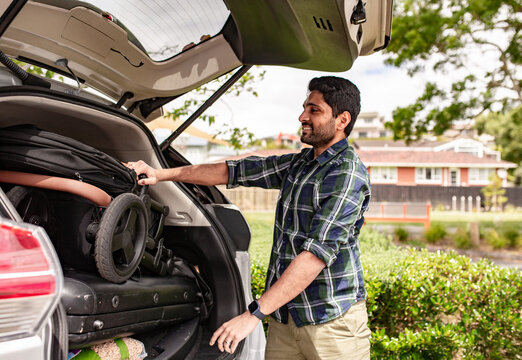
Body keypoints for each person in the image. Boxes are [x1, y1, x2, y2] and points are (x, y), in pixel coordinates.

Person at [126, 76, 371, 359]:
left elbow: (314, 256)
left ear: (342, 120)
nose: (302, 116)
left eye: (314, 110)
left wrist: (253, 314)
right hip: (285, 317)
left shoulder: (346, 174)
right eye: (304, 107)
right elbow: (232, 171)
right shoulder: (301, 164)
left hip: (332, 322)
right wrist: (161, 174)